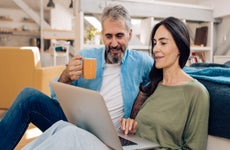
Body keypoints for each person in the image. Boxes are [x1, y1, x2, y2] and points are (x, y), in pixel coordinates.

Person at [22, 17, 210, 150]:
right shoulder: (154, 85)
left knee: (70, 134)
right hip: (124, 145)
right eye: (154, 43)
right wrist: (131, 125)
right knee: (63, 128)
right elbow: (146, 128)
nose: (156, 49)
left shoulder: (196, 93)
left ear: (181, 46)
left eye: (163, 43)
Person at [0, 4, 153, 150]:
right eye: (108, 36)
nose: (114, 43)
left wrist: (135, 118)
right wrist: (65, 77)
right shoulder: (86, 57)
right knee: (29, 97)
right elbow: (57, 98)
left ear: (130, 34)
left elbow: (164, 80)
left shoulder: (142, 63)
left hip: (108, 136)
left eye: (119, 35)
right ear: (102, 36)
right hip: (74, 123)